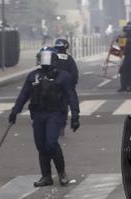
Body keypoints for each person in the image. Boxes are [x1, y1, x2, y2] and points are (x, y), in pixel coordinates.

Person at [8, 48, 80, 187]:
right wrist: (15, 111)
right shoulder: (33, 76)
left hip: (55, 113)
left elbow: (71, 96)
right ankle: (46, 176)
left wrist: (75, 115)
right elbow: (24, 95)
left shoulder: (63, 76)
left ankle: (61, 173)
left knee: (51, 142)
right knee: (41, 145)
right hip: (38, 114)